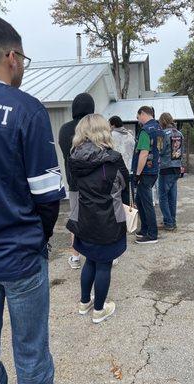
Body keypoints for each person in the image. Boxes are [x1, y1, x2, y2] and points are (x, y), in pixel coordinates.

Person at [0, 16, 65, 384]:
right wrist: (37, 239)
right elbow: (49, 197)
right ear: (11, 57)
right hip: (20, 255)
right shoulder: (27, 110)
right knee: (32, 357)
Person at [66, 114, 129, 323]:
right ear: (104, 131)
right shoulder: (113, 158)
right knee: (104, 264)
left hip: (84, 219)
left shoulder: (73, 159)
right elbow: (123, 187)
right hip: (109, 220)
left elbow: (74, 189)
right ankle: (100, 310)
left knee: (90, 261)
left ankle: (85, 303)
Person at [59, 93, 95, 269]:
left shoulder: (65, 129)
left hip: (74, 182)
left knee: (75, 217)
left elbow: (66, 153)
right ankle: (100, 253)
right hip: (96, 184)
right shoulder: (95, 128)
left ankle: (75, 256)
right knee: (98, 216)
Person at [132, 106, 162, 244]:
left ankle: (152, 234)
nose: (138, 121)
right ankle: (144, 229)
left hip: (145, 172)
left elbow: (143, 154)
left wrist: (137, 174)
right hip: (154, 170)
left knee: (146, 203)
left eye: (138, 118)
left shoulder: (145, 131)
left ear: (143, 114)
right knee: (140, 200)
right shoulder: (159, 129)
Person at [158, 112, 184, 231]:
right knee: (172, 196)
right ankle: (172, 221)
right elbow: (181, 151)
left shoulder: (162, 134)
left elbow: (160, 151)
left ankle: (168, 222)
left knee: (163, 196)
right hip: (176, 168)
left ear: (162, 121)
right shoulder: (180, 134)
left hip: (165, 168)